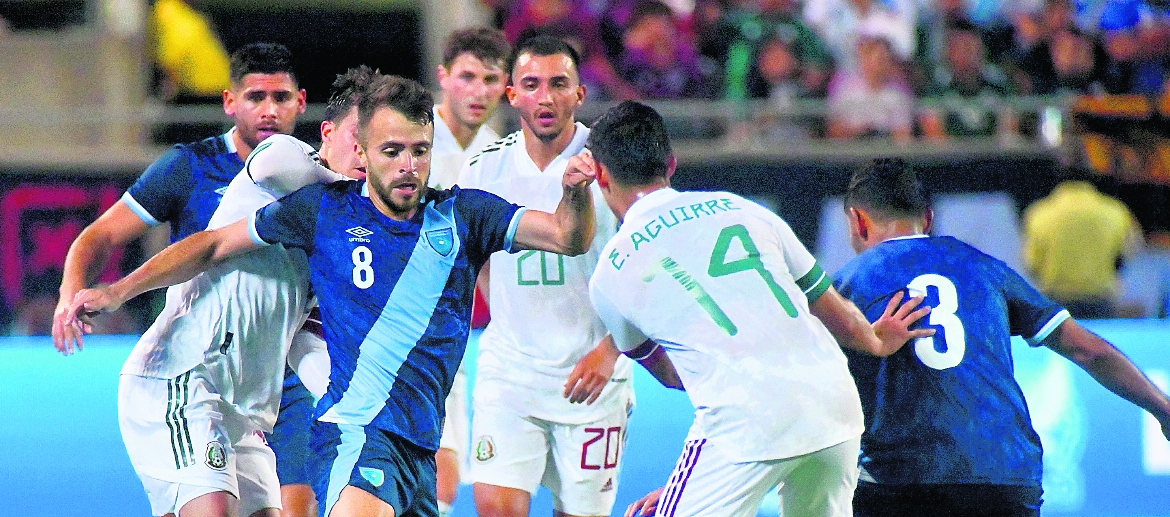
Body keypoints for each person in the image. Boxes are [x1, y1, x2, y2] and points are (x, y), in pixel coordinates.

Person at [66, 74, 600, 517]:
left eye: (419, 151)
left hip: (413, 442)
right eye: (391, 151)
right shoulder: (318, 204)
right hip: (349, 431)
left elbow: (566, 237)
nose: (407, 165)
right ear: (363, 149)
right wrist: (117, 291)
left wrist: (574, 192)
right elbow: (213, 243)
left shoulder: (465, 213)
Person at [583, 101, 933, 517]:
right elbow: (831, 308)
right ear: (671, 164)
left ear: (601, 175)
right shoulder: (745, 210)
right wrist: (876, 340)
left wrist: (702, 484)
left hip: (744, 423)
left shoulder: (609, 275)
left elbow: (675, 376)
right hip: (834, 410)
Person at [56, 67, 375, 517]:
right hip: (182, 378)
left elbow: (306, 334)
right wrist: (117, 292)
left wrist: (347, 404)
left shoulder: (346, 237)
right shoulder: (286, 157)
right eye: (358, 139)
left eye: (378, 145)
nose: (365, 154)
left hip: (243, 409)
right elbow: (213, 239)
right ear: (327, 132)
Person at [833, 157, 1170, 516]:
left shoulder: (847, 285)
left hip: (901, 483)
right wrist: (1162, 408)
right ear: (928, 219)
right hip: (1005, 475)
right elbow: (1086, 349)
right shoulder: (985, 268)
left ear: (857, 221)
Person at [456, 35, 633, 517]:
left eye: (559, 84)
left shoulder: (614, 165)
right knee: (495, 508)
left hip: (593, 378)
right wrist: (507, 317)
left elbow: (650, 267)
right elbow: (478, 258)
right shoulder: (482, 170)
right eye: (532, 85)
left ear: (579, 93)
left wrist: (610, 350)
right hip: (509, 375)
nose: (546, 97)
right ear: (512, 94)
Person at [52, 41, 306, 354]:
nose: (269, 111)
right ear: (230, 102)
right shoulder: (190, 166)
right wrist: (69, 295)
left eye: (281, 98)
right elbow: (101, 234)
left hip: (286, 357)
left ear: (300, 102)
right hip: (200, 355)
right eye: (255, 97)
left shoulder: (316, 174)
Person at [426, 26, 511, 516]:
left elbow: (486, 253)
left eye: (490, 79)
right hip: (395, 328)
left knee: (445, 479)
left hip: (451, 333)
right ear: (443, 77)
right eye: (467, 77)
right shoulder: (412, 140)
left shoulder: (498, 152)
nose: (478, 91)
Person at [1022, 171, 1143, 319]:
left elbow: (1032, 264)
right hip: (1100, 302)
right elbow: (1132, 250)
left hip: (1056, 304)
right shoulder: (1116, 211)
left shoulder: (1039, 213)